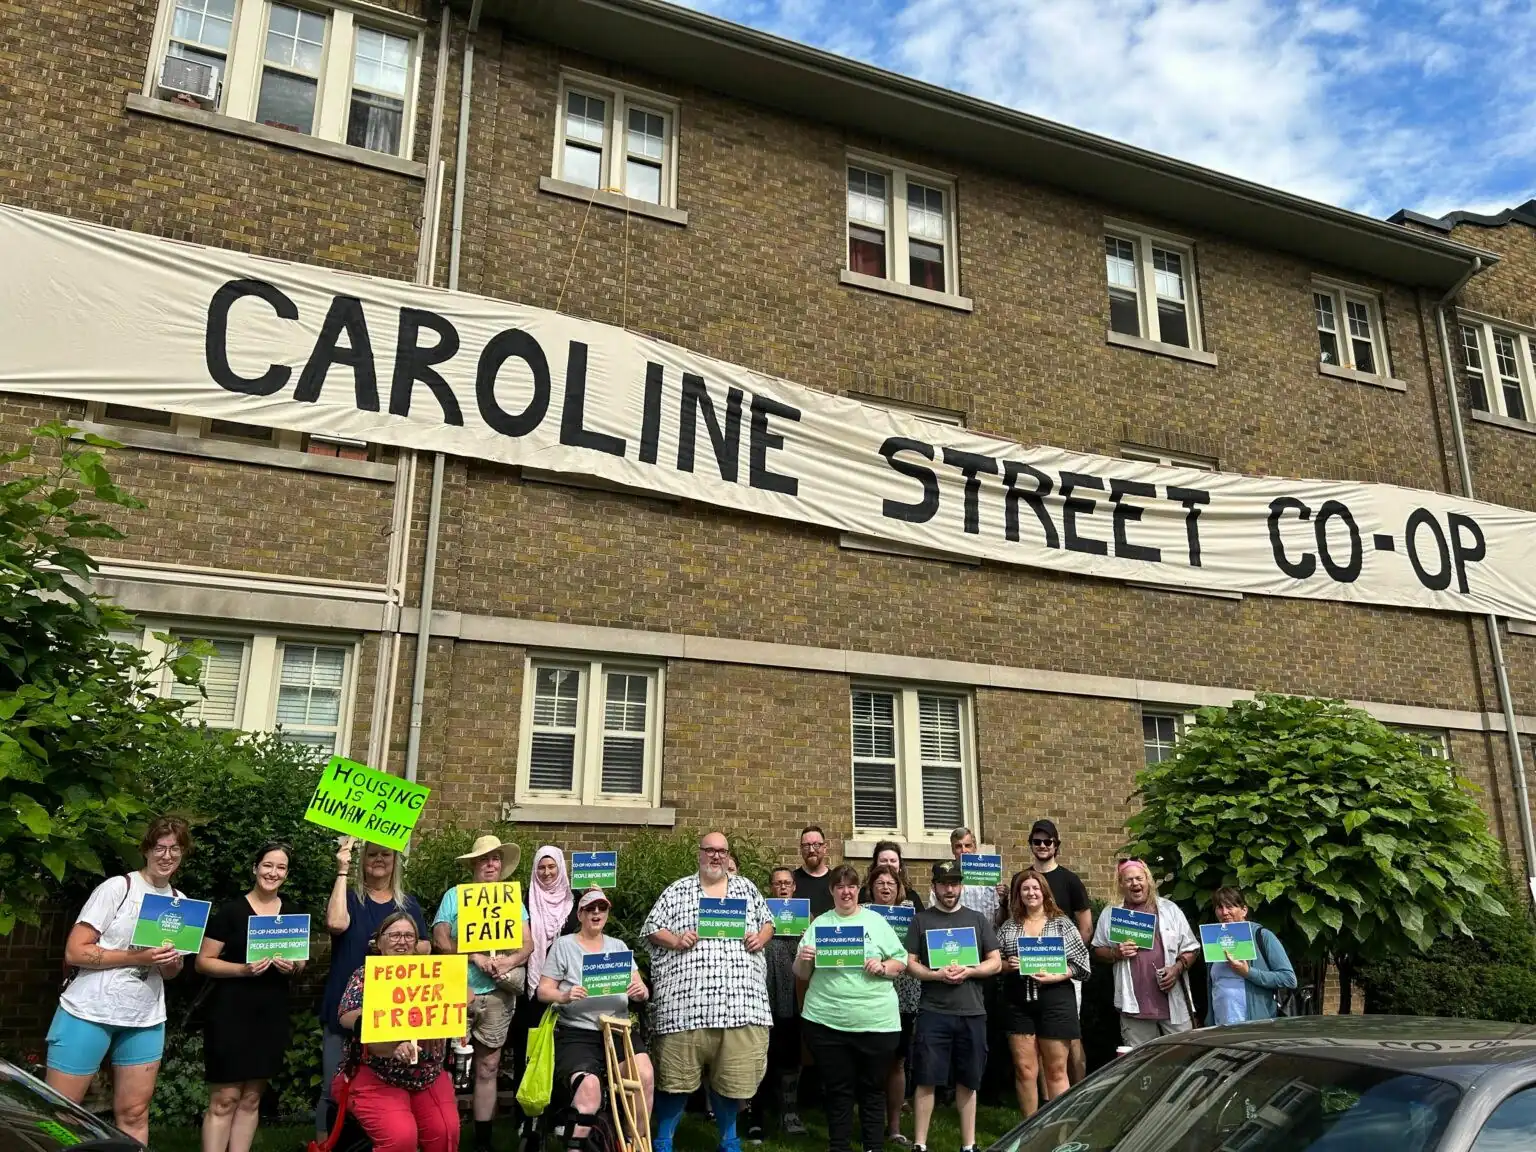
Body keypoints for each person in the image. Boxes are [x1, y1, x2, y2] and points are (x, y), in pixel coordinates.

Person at [45, 816, 191, 1147]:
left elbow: (170, 972)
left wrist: (172, 963)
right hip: (87, 1012)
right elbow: (75, 950)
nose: (166, 855)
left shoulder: (179, 902)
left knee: (135, 1113)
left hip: (144, 1018)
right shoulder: (117, 888)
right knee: (60, 1114)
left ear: (183, 854)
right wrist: (136, 958)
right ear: (146, 849)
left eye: (175, 849)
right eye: (160, 847)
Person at [642, 830, 775, 1152]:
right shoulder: (678, 890)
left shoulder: (746, 889)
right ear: (699, 854)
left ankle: (729, 1139)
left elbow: (768, 922)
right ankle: (663, 1139)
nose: (716, 856)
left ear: (729, 856)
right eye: (710, 850)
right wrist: (675, 940)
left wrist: (761, 936)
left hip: (741, 1003)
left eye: (722, 851)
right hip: (685, 1005)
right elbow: (651, 928)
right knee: (676, 1079)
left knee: (732, 1079)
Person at [318, 837, 430, 1140]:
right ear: (362, 860)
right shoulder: (351, 898)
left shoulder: (406, 903)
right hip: (348, 1004)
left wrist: (393, 943)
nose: (379, 859)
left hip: (390, 1009)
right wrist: (343, 869)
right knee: (333, 1087)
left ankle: (371, 1143)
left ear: (395, 861)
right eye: (372, 854)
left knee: (380, 1090)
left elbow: (425, 945)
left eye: (386, 854)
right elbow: (337, 924)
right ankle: (326, 1144)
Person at [198, 841, 306, 1152]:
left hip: (270, 1013)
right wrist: (242, 970)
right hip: (231, 1012)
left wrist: (292, 967)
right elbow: (204, 961)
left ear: (286, 874)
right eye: (268, 865)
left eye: (281, 867)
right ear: (255, 868)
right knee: (224, 1099)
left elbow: (301, 963)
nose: (273, 872)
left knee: (251, 1097)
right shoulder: (231, 912)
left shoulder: (293, 914)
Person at [792, 865, 907, 1152]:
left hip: (876, 1023)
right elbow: (802, 973)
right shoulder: (820, 924)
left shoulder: (877, 922)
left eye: (852, 886)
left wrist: (882, 967)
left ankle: (873, 1146)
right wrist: (806, 957)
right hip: (827, 1023)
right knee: (838, 1090)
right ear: (831, 891)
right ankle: (839, 1146)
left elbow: (900, 961)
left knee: (872, 1091)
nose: (846, 891)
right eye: (840, 886)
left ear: (859, 890)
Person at [432, 835, 531, 1152]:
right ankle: (443, 1133)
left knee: (488, 1067)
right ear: (474, 864)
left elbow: (527, 945)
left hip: (497, 995)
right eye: (485, 859)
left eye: (496, 859)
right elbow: (440, 941)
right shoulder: (454, 897)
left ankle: (483, 1141)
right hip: (458, 992)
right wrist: (473, 954)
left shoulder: (511, 900)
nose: (491, 864)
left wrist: (508, 961)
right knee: (447, 1066)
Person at [537, 888, 654, 1152]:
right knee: (588, 1087)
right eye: (590, 909)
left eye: (602, 908)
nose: (597, 913)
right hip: (579, 1031)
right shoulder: (564, 946)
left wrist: (641, 991)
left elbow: (641, 988)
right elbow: (543, 991)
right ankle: (576, 1144)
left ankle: (632, 1142)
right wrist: (565, 996)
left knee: (644, 1075)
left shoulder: (618, 947)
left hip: (618, 1028)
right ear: (580, 914)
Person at [337, 913, 459, 1152]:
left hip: (427, 1073)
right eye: (393, 935)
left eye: (408, 936)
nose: (401, 941)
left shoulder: (433, 972)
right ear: (379, 942)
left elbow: (465, 994)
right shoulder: (365, 975)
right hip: (378, 1072)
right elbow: (346, 1015)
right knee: (401, 1138)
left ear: (416, 943)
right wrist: (391, 1040)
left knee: (445, 1132)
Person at [905, 860, 1001, 1152]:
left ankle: (969, 1145)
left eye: (955, 883)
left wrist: (970, 971)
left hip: (971, 1010)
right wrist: (935, 975)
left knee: (968, 1080)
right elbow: (910, 962)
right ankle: (920, 1144)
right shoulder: (922, 920)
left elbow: (995, 961)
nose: (950, 889)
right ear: (934, 887)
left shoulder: (977, 919)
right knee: (926, 1078)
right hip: (934, 1009)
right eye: (945, 883)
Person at [997, 870, 1089, 1118]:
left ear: (1044, 891)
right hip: (1018, 1001)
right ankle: (1029, 1130)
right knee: (1025, 1069)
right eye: (1025, 889)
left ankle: (1059, 1130)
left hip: (1056, 999)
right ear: (1018, 895)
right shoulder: (1009, 927)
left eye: (1035, 888)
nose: (1031, 893)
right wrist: (1009, 964)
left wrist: (1057, 975)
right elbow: (996, 963)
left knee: (1056, 1070)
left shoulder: (1062, 923)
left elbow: (1082, 963)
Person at [1091, 860, 1200, 1048]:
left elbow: (1191, 948)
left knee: (1184, 1056)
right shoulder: (1111, 913)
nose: (1135, 883)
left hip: (1173, 1003)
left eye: (1139, 878)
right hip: (1133, 1007)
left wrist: (1177, 968)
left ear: (1148, 880)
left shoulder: (1169, 909)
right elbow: (1096, 951)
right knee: (1140, 1063)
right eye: (1129, 880)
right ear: (1121, 884)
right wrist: (1115, 953)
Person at [1025, 820, 1092, 1083]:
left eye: (1047, 841)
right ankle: (1047, 1100)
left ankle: (1079, 1089)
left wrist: (1069, 962)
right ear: (1031, 845)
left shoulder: (1070, 880)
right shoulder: (1025, 879)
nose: (1042, 846)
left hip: (1065, 969)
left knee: (1070, 1034)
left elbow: (1085, 927)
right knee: (1039, 1036)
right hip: (1030, 968)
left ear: (1056, 845)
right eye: (1037, 841)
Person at [860, 863, 922, 1145]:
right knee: (868, 1063)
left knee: (897, 1062)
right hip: (869, 991)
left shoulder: (911, 914)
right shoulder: (860, 913)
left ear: (900, 889)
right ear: (871, 888)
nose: (885, 888)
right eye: (880, 883)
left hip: (904, 993)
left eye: (891, 884)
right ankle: (867, 1123)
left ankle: (894, 1126)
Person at [520, 845, 576, 1151]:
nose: (546, 872)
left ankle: (559, 1112)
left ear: (561, 869)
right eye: (541, 868)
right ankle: (529, 1115)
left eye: (551, 867)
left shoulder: (575, 902)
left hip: (567, 990)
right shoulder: (525, 901)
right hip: (534, 991)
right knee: (531, 1052)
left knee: (564, 1051)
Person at [750, 867, 806, 1138]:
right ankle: (757, 1115)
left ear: (794, 887)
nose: (783, 887)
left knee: (790, 1055)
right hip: (765, 996)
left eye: (787, 883)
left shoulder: (806, 917)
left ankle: (789, 1111)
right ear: (770, 887)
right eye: (777, 883)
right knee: (761, 1056)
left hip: (794, 997)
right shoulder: (761, 915)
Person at [1206, 886, 1296, 1025]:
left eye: (1230, 906)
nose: (1224, 912)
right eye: (1219, 907)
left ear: (1244, 910)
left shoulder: (1262, 936)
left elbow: (1289, 979)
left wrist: (1248, 973)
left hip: (1255, 1028)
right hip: (1221, 1029)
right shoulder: (1213, 940)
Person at [935, 827, 1006, 925]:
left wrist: (1003, 899)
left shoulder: (991, 875)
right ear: (953, 850)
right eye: (958, 846)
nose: (964, 850)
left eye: (968, 845)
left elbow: (1000, 920)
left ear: (975, 847)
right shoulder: (944, 876)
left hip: (986, 936)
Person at [793, 825, 834, 916]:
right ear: (801, 849)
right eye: (806, 846)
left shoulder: (835, 880)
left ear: (824, 848)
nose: (811, 850)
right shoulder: (791, 881)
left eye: (816, 845)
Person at [860, 841, 916, 907]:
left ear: (900, 865)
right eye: (883, 860)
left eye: (893, 861)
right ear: (875, 865)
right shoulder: (863, 894)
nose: (888, 864)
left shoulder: (911, 896)